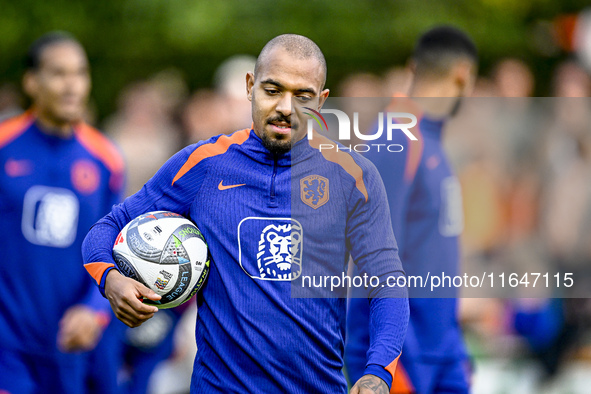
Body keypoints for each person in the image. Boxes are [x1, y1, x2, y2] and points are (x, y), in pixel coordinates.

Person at [82, 34, 409, 393]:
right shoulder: (203, 165)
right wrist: (111, 280)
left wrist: (378, 372)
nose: (286, 107)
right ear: (251, 86)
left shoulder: (353, 177)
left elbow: (388, 282)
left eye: (302, 96)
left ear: (321, 100)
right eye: (273, 90)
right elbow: (107, 228)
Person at [345, 26, 478, 393]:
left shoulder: (430, 139)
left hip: (442, 351)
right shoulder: (396, 137)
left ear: (412, 67)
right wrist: (378, 364)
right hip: (404, 361)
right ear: (464, 73)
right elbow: (370, 263)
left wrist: (452, 347)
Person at [0, 32, 125, 393]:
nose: (72, 86)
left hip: (74, 343)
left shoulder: (106, 159)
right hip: (8, 346)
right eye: (58, 74)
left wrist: (94, 310)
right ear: (31, 82)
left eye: (80, 73)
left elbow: (113, 246)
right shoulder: (5, 146)